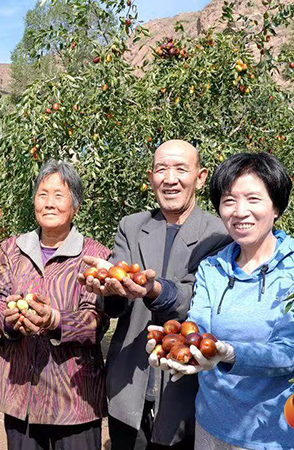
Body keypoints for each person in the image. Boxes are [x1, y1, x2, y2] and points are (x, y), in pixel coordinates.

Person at [155, 152, 294, 449]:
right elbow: (198, 325)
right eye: (229, 201)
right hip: (213, 426)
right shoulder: (212, 268)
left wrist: (230, 354)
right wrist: (176, 344)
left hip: (278, 432)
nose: (240, 211)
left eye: (253, 199)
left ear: (276, 206)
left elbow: (293, 351)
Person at [80, 139, 231, 449]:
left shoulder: (219, 236)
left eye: (180, 169)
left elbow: (201, 302)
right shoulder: (132, 227)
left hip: (186, 393)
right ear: (151, 178)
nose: (170, 178)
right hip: (130, 385)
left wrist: (155, 289)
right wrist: (110, 290)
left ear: (200, 177)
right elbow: (114, 301)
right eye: (161, 169)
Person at [0, 160, 111, 450]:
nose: (49, 203)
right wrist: (10, 317)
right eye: (43, 194)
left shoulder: (94, 255)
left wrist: (55, 319)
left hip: (75, 398)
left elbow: (97, 321)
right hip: (21, 394)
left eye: (59, 195)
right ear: (34, 202)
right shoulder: (13, 249)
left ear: (75, 206)